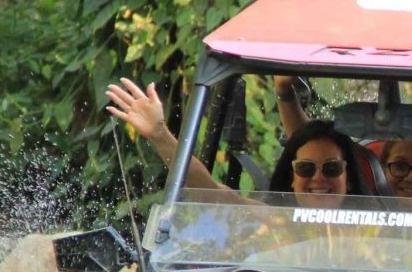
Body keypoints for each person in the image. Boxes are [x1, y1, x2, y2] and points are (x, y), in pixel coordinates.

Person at [105, 79, 367, 207]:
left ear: (349, 177)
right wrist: (159, 135)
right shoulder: (276, 222)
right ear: (292, 178)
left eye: (331, 168)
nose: (318, 178)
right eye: (306, 169)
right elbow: (209, 190)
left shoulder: (376, 230)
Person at [275, 75, 412, 209]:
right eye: (399, 166)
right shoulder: (364, 217)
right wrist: (285, 94)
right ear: (382, 170)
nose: (411, 176)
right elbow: (312, 150)